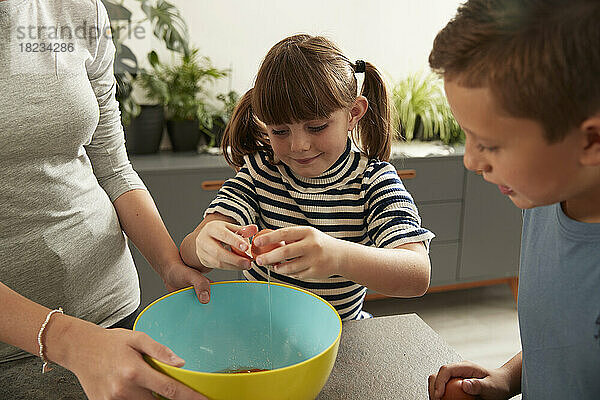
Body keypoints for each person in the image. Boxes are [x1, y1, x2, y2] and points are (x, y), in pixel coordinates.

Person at [0, 0, 210, 399]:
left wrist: (168, 264)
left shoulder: (76, 9)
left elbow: (113, 167)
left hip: (111, 319)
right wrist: (68, 341)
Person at [180, 34, 434, 321]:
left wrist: (338, 256)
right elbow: (192, 248)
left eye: (316, 127)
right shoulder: (257, 173)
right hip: (260, 332)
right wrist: (204, 245)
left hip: (341, 335)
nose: (298, 145)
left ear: (353, 113)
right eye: (279, 131)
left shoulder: (374, 182)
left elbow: (417, 274)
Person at [426, 0, 600, 399]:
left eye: (489, 144)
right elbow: (571, 344)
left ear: (591, 140)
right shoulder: (543, 200)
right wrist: (508, 377)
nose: (471, 160)